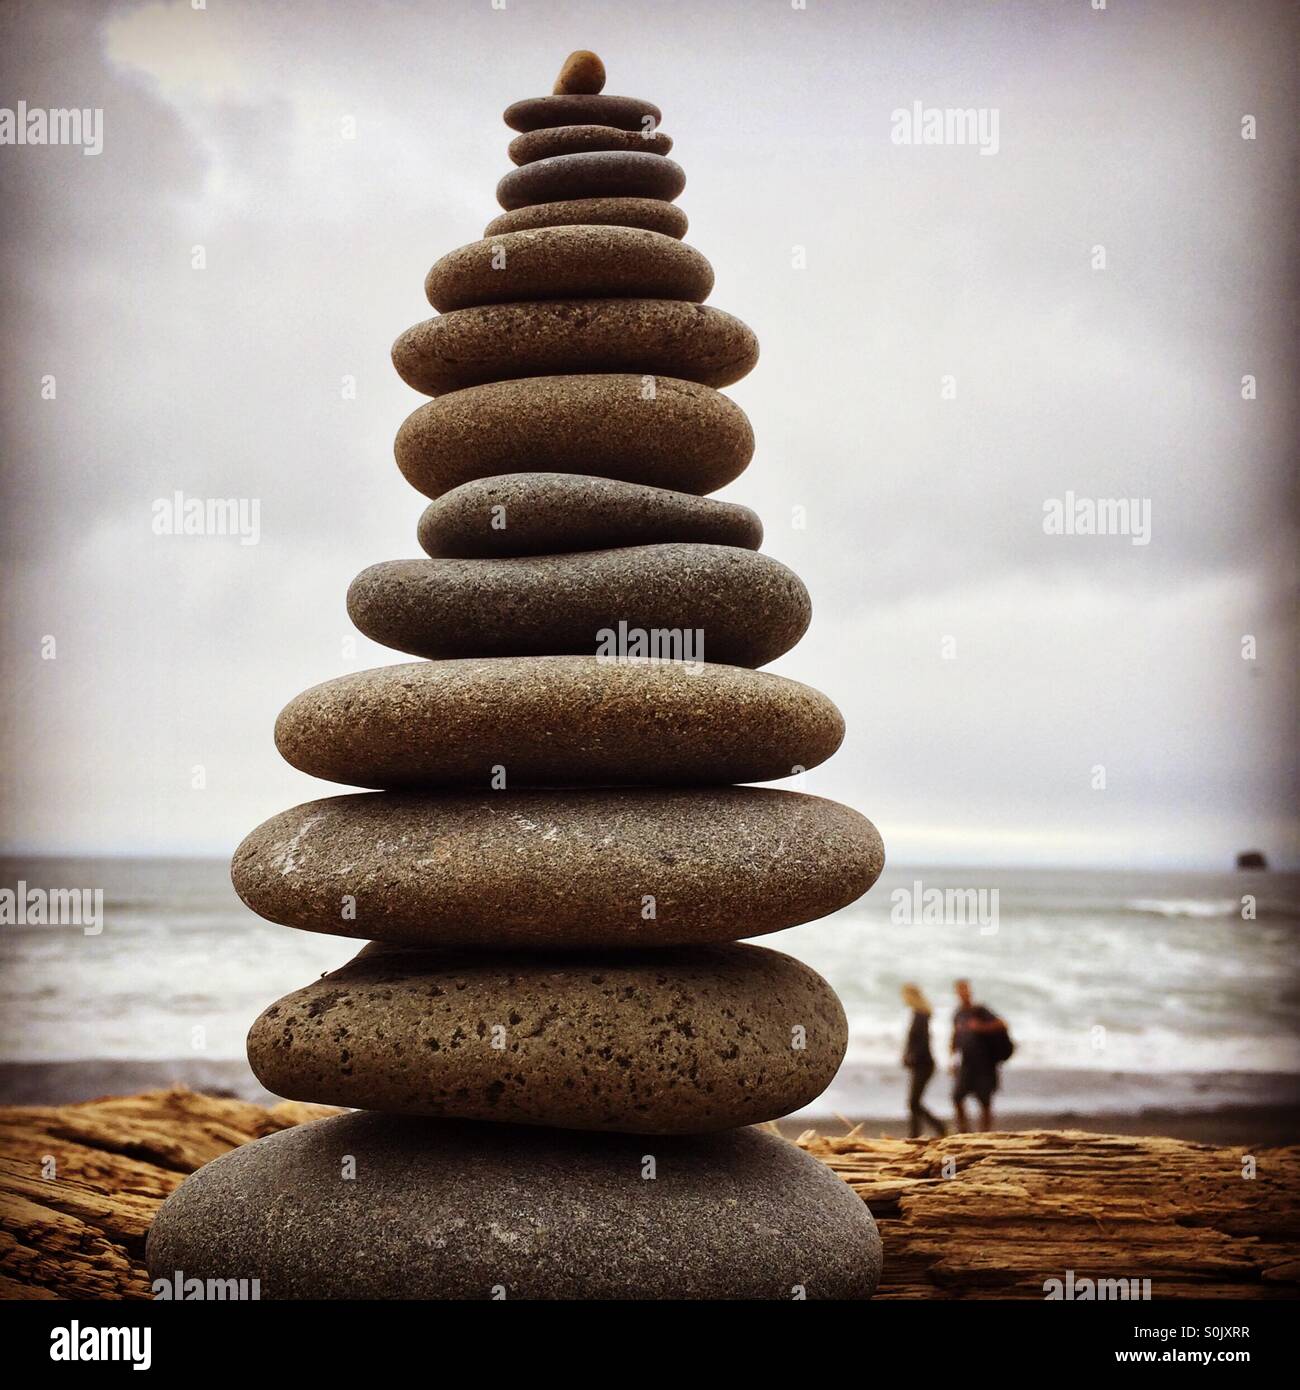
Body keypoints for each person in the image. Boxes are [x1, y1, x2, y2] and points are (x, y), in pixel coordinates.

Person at [950, 979, 1011, 1132]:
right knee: (957, 1097)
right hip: (966, 1064)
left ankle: (985, 1134)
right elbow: (954, 1037)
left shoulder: (980, 1010)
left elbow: (1003, 1024)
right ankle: (963, 1131)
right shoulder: (958, 1014)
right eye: (960, 990)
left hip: (985, 1064)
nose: (963, 993)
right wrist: (952, 1059)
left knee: (985, 1101)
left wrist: (981, 1027)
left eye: (965, 989)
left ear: (970, 991)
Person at [900, 984, 946, 1137]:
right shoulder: (919, 1014)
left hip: (923, 1064)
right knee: (914, 1102)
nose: (903, 998)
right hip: (921, 1064)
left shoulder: (920, 1016)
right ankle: (915, 1134)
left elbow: (922, 1042)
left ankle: (938, 1126)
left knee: (914, 1102)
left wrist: (912, 1056)